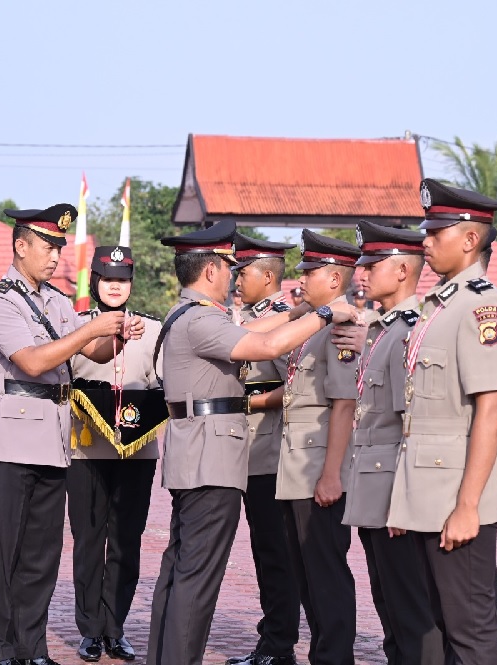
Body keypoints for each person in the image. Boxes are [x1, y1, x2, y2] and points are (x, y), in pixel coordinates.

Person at [147, 220, 356, 665]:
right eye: (228, 266)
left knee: (182, 568)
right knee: (197, 577)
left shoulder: (187, 312)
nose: (233, 274)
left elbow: (266, 328)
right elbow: (263, 345)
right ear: (209, 272)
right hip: (212, 456)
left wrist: (299, 312)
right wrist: (322, 314)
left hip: (200, 452)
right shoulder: (204, 318)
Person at [0, 203, 145, 665]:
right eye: (46, 246)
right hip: (9, 435)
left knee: (41, 555)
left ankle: (32, 646)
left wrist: (118, 334)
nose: (53, 256)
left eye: (58, 248)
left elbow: (95, 350)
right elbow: (32, 361)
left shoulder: (57, 301)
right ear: (20, 245)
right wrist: (92, 328)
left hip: (51, 436)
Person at [388, 179, 497, 665]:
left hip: (459, 494)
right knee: (436, 624)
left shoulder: (481, 306)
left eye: (436, 231)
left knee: (469, 629)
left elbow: (490, 409)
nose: (426, 241)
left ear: (469, 239)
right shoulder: (435, 307)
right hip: (427, 491)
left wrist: (468, 507)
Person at [337, 220, 444, 665]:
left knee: (412, 609)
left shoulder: (408, 332)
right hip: (373, 488)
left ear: (402, 271)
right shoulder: (383, 329)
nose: (362, 274)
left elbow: (410, 424)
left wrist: (404, 501)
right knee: (389, 603)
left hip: (396, 495)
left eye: (373, 265)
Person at [67, 245, 164, 663]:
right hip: (86, 449)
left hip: (137, 452)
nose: (115, 287)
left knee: (127, 540)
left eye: (122, 280)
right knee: (88, 539)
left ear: (131, 285)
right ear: (95, 282)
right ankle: (90, 629)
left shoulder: (154, 330)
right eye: (108, 279)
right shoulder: (75, 328)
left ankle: (116, 627)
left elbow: (162, 386)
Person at [277, 230, 361, 665]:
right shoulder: (314, 326)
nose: (301, 279)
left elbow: (344, 405)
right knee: (306, 573)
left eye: (310, 272)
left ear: (333, 279)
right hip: (297, 463)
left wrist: (332, 475)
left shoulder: (341, 329)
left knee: (326, 572)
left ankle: (334, 657)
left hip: (319, 467)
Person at [225, 233, 301, 665]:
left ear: (268, 276)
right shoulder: (245, 317)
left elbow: (294, 388)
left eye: (244, 272)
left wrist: (243, 402)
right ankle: (273, 641)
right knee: (265, 553)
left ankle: (278, 646)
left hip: (270, 454)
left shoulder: (283, 319)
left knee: (275, 555)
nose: (237, 279)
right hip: (249, 451)